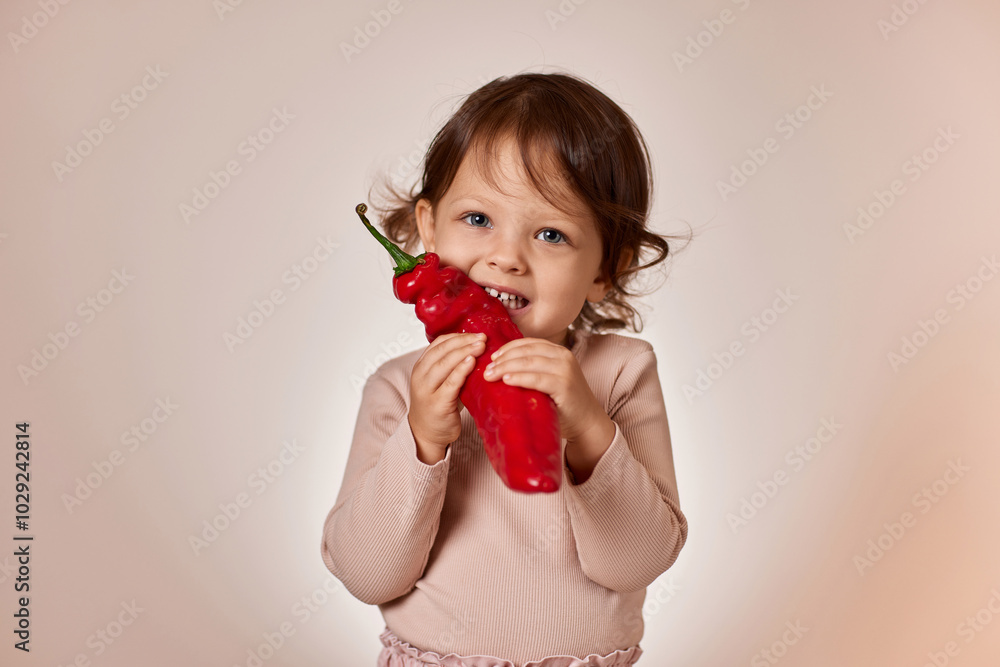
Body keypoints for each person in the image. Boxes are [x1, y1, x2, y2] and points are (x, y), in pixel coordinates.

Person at [321, 71, 691, 667]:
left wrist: (588, 429)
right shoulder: (399, 389)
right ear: (428, 228)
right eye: (477, 219)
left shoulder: (621, 374)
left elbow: (635, 563)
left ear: (605, 269)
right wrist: (422, 440)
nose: (507, 257)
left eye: (551, 233)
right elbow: (368, 575)